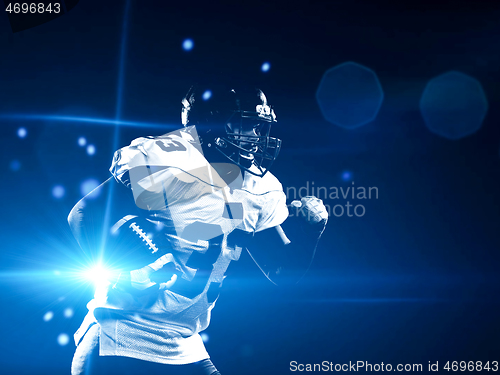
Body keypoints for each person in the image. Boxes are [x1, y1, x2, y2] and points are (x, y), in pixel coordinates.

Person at [68, 85, 328, 375]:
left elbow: (283, 272)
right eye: (245, 124)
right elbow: (83, 214)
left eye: (258, 126)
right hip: (121, 333)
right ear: (210, 122)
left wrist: (310, 234)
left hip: (182, 342)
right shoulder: (169, 160)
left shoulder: (261, 188)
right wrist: (118, 257)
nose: (256, 136)